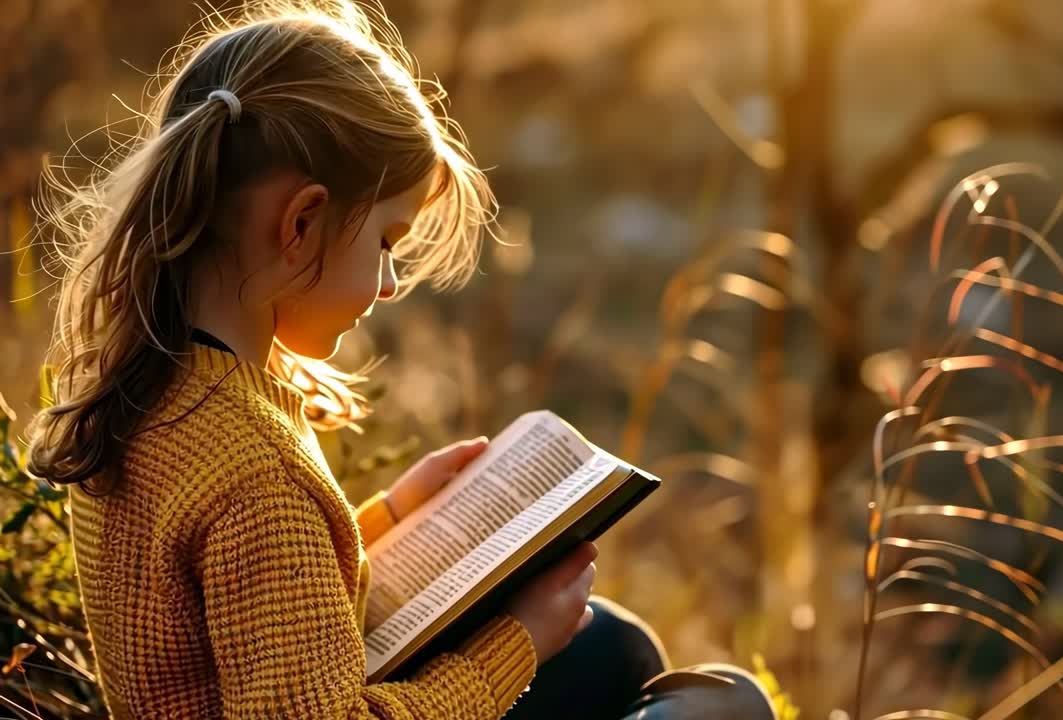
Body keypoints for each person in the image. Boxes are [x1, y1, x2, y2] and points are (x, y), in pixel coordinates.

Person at [23, 2, 777, 718]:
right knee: (726, 704)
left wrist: (385, 522)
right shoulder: (255, 474)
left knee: (611, 642)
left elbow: (250, 620)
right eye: (385, 241)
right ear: (303, 221)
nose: (388, 283)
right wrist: (516, 644)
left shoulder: (156, 387)